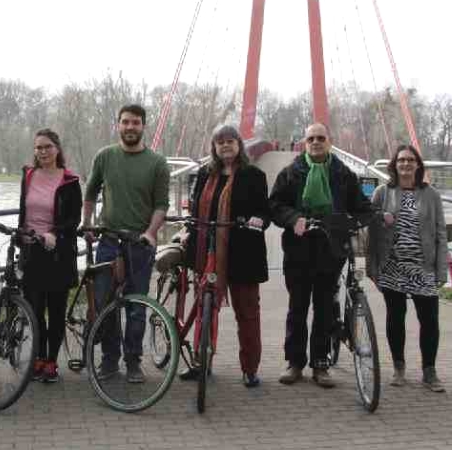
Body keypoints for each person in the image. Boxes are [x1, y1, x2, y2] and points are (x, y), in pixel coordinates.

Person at [269, 122, 373, 388]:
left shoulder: (343, 173)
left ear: (329, 142)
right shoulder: (291, 173)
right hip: (298, 249)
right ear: (305, 143)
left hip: (330, 250)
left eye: (321, 138)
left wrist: (349, 221)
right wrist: (293, 219)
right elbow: (275, 205)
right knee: (297, 308)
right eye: (311, 138)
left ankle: (320, 364)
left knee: (325, 309)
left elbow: (362, 207)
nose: (316, 142)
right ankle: (294, 363)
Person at [83, 104, 170, 383]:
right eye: (125, 122)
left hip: (139, 244)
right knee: (106, 303)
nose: (130, 127)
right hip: (108, 240)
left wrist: (151, 232)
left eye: (135, 123)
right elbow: (91, 191)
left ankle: (133, 361)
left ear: (143, 126)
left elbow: (161, 205)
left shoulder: (157, 163)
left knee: (136, 306)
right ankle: (109, 360)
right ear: (118, 125)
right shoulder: (105, 156)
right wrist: (87, 222)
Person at [183, 124, 270, 387]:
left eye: (230, 141)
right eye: (220, 142)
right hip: (208, 251)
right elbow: (195, 208)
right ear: (214, 147)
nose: (225, 146)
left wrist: (258, 220)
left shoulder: (254, 175)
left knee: (248, 314)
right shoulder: (204, 174)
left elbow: (265, 213)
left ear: (239, 145)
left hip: (244, 253)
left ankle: (250, 368)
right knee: (203, 309)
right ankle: (202, 362)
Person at [367, 144, 448, 392]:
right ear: (394, 164)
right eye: (401, 160)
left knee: (430, 320)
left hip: (423, 267)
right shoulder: (383, 192)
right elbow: (371, 229)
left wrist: (441, 269)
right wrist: (373, 268)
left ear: (418, 165)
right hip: (393, 266)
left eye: (411, 160)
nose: (406, 164)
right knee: (395, 318)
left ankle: (429, 372)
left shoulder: (431, 195)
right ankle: (399, 368)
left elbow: (441, 232)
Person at [18, 128, 81, 383]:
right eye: (38, 148)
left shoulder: (70, 181)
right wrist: (21, 233)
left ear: (57, 149)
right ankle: (38, 357)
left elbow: (73, 219)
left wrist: (54, 233)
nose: (42, 152)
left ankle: (52, 361)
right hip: (32, 250)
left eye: (47, 147)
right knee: (34, 309)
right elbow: (24, 210)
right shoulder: (28, 175)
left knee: (55, 311)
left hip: (57, 253)